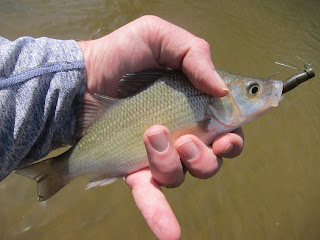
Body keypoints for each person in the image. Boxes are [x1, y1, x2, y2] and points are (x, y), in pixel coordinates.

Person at [0, 16, 244, 239]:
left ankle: (64, 169)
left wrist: (86, 72)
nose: (260, 94)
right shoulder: (214, 97)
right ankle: (61, 170)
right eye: (252, 90)